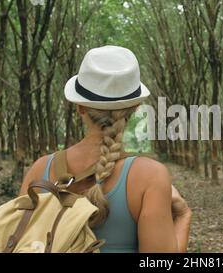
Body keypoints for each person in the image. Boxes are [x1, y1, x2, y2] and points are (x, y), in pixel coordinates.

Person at [19, 45, 192, 253]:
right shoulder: (150, 176)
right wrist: (183, 217)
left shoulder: (40, 170)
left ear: (79, 107)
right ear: (135, 108)